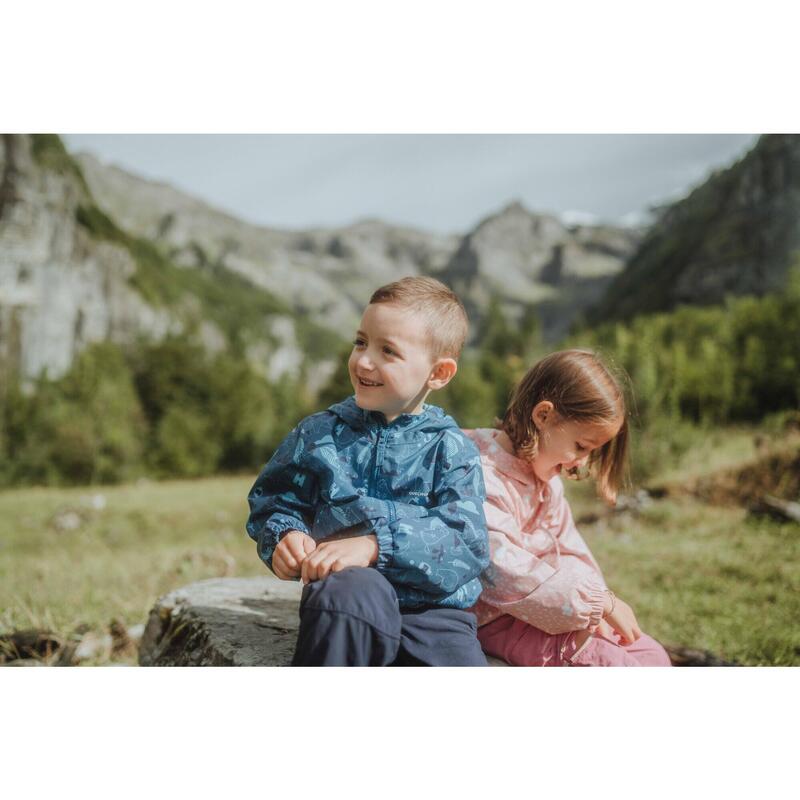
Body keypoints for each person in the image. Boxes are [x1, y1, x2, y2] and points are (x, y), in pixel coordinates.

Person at [246, 276, 490, 666]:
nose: (363, 361)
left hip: (435, 615)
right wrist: (283, 535)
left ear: (439, 373)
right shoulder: (318, 434)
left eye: (387, 351)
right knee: (342, 599)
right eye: (360, 342)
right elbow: (274, 501)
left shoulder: (451, 449)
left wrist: (375, 545)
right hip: (350, 596)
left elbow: (467, 541)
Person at [465, 349, 671, 666]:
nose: (582, 462)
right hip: (497, 620)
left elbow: (571, 548)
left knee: (651, 655)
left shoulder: (547, 482)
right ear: (543, 416)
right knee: (613, 664)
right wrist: (593, 603)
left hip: (554, 612)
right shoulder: (481, 473)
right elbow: (499, 568)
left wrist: (597, 606)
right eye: (581, 447)